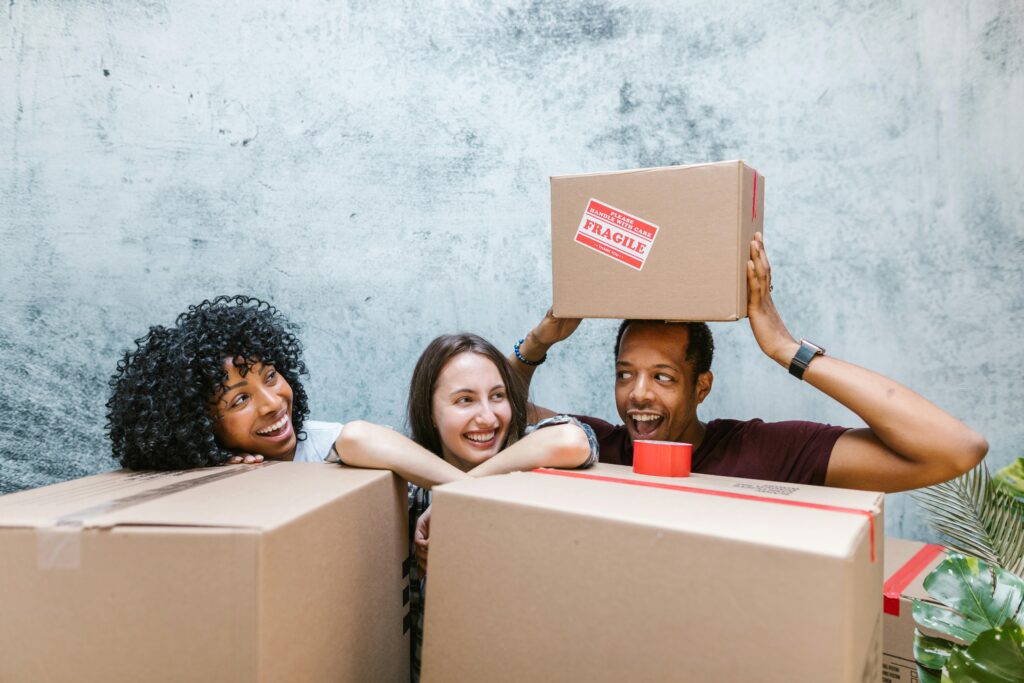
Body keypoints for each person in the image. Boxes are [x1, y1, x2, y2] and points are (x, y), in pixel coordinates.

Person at [509, 232, 989, 494]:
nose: (638, 393)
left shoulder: (766, 453)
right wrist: (536, 342)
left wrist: (787, 349)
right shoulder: (593, 445)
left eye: (663, 377)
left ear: (701, 386)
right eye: (625, 374)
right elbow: (500, 415)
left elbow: (954, 450)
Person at [336, 333, 598, 680]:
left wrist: (461, 494)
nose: (487, 417)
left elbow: (572, 441)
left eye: (498, 396)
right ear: (430, 412)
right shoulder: (412, 489)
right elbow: (353, 438)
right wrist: (455, 489)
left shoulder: (531, 456)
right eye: (465, 400)